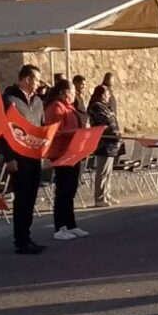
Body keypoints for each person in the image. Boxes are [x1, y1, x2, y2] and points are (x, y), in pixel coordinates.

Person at [0, 64, 46, 255]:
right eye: (37, 80)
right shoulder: (9, 100)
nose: (39, 84)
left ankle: (27, 236)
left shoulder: (37, 101)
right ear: (27, 79)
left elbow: (42, 126)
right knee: (22, 198)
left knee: (31, 197)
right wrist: (9, 158)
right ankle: (20, 240)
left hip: (34, 155)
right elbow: (3, 131)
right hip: (18, 157)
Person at [44, 79, 88, 241]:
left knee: (71, 189)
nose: (74, 95)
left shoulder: (69, 107)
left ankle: (71, 224)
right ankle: (60, 227)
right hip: (61, 154)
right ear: (64, 92)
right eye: (72, 92)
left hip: (72, 152)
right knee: (63, 190)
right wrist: (76, 132)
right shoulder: (55, 108)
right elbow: (55, 131)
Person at [87, 84, 121, 207]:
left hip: (111, 142)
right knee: (102, 171)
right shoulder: (96, 106)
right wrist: (112, 123)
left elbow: (112, 119)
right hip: (103, 143)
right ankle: (100, 198)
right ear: (102, 95)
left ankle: (107, 194)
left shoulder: (106, 106)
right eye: (107, 93)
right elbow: (106, 120)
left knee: (108, 171)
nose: (109, 96)